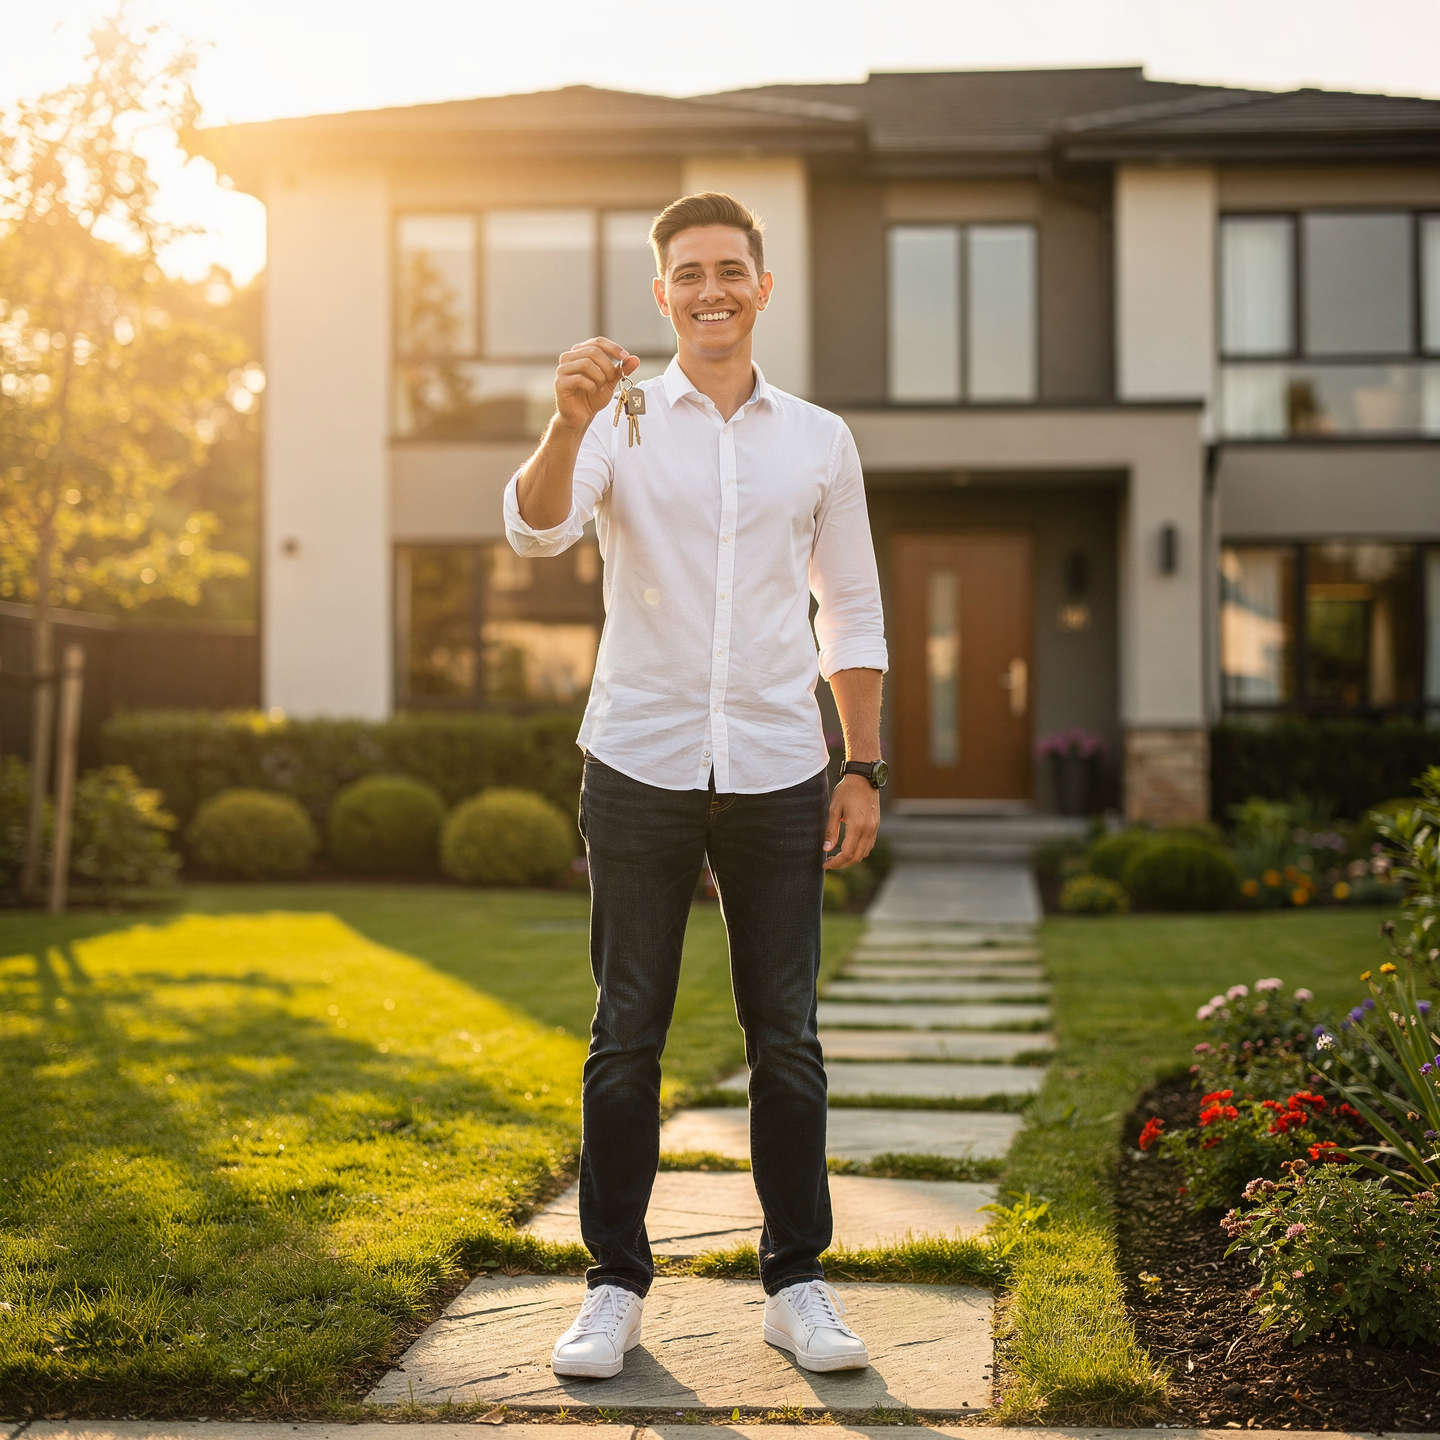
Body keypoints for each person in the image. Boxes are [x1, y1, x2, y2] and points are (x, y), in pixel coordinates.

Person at [504, 191, 888, 1379]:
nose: (710, 289)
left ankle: (797, 1284)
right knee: (626, 1032)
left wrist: (862, 764)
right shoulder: (615, 416)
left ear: (760, 289)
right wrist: (563, 422)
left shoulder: (817, 437)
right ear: (662, 294)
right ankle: (613, 1285)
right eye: (687, 273)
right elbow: (535, 531)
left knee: (788, 1035)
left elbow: (852, 606)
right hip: (639, 758)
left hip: (778, 764)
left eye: (729, 270)